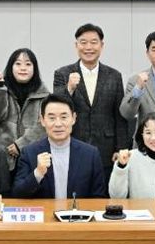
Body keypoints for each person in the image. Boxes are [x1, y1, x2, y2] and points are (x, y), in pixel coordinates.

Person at [53, 23, 129, 190]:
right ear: (76, 45)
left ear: (102, 45)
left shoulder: (114, 76)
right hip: (73, 145)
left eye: (94, 42)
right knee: (75, 194)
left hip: (106, 150)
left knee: (103, 195)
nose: (88, 47)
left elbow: (119, 116)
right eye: (83, 42)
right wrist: (69, 88)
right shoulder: (63, 74)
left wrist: (121, 148)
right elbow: (56, 109)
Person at [12, 93, 106, 198]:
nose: (58, 124)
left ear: (73, 118)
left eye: (63, 117)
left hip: (78, 209)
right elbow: (17, 194)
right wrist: (38, 173)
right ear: (42, 120)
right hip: (45, 209)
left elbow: (99, 197)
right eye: (52, 118)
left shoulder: (90, 154)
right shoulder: (29, 153)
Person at [0, 48, 49, 171]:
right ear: (10, 67)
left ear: (34, 68)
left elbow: (44, 126)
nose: (23, 68)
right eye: (18, 64)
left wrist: (21, 145)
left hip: (32, 159)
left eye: (28, 64)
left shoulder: (45, 95)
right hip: (1, 158)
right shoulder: (1, 89)